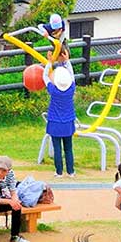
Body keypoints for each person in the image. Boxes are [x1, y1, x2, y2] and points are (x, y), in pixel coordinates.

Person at [45, 45, 78, 177]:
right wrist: (67, 61)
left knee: (57, 148)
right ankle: (71, 172)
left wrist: (49, 62)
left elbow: (45, 76)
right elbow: (72, 75)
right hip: (68, 121)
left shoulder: (53, 90)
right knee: (69, 148)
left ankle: (59, 172)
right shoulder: (71, 88)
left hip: (54, 121)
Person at [0, 155, 31, 242]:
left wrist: (15, 201)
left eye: (4, 170)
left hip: (4, 199)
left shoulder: (10, 174)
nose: (0, 173)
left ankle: (15, 236)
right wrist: (10, 201)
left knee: (17, 207)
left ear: (9, 170)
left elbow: (13, 191)